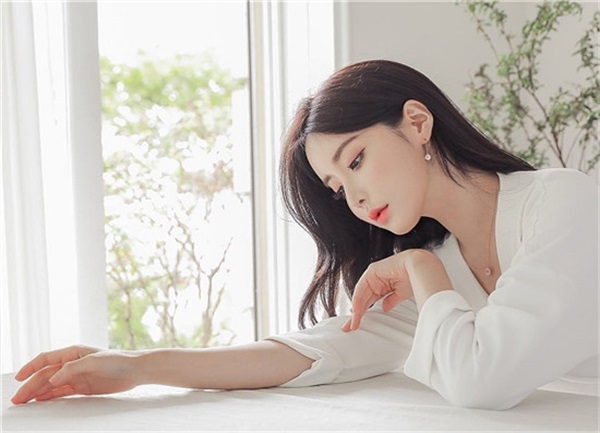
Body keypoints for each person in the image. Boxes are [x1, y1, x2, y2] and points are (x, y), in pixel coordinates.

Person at [11, 60, 598, 410]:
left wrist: (421, 267)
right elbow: (318, 352)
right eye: (338, 188)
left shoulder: (564, 204)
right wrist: (137, 365)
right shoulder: (439, 267)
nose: (356, 199)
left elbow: (481, 380)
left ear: (417, 122)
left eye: (357, 159)